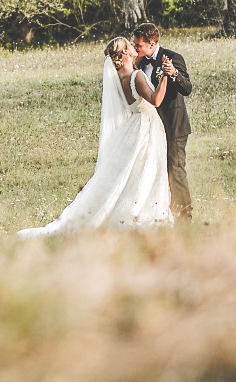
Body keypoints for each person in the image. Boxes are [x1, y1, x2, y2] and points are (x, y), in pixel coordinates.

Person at [16, 37, 173, 238]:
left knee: (133, 173)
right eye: (129, 46)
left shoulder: (121, 78)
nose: (134, 48)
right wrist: (165, 76)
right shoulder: (137, 76)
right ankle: (142, 216)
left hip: (134, 126)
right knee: (147, 171)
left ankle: (133, 214)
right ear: (124, 53)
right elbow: (156, 100)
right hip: (146, 128)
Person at [131, 23, 193, 222]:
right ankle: (163, 214)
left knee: (175, 171)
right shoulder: (139, 64)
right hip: (151, 129)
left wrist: (173, 73)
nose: (135, 48)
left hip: (173, 126)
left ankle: (185, 217)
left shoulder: (173, 57)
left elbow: (187, 88)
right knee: (156, 172)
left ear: (151, 44)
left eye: (138, 45)